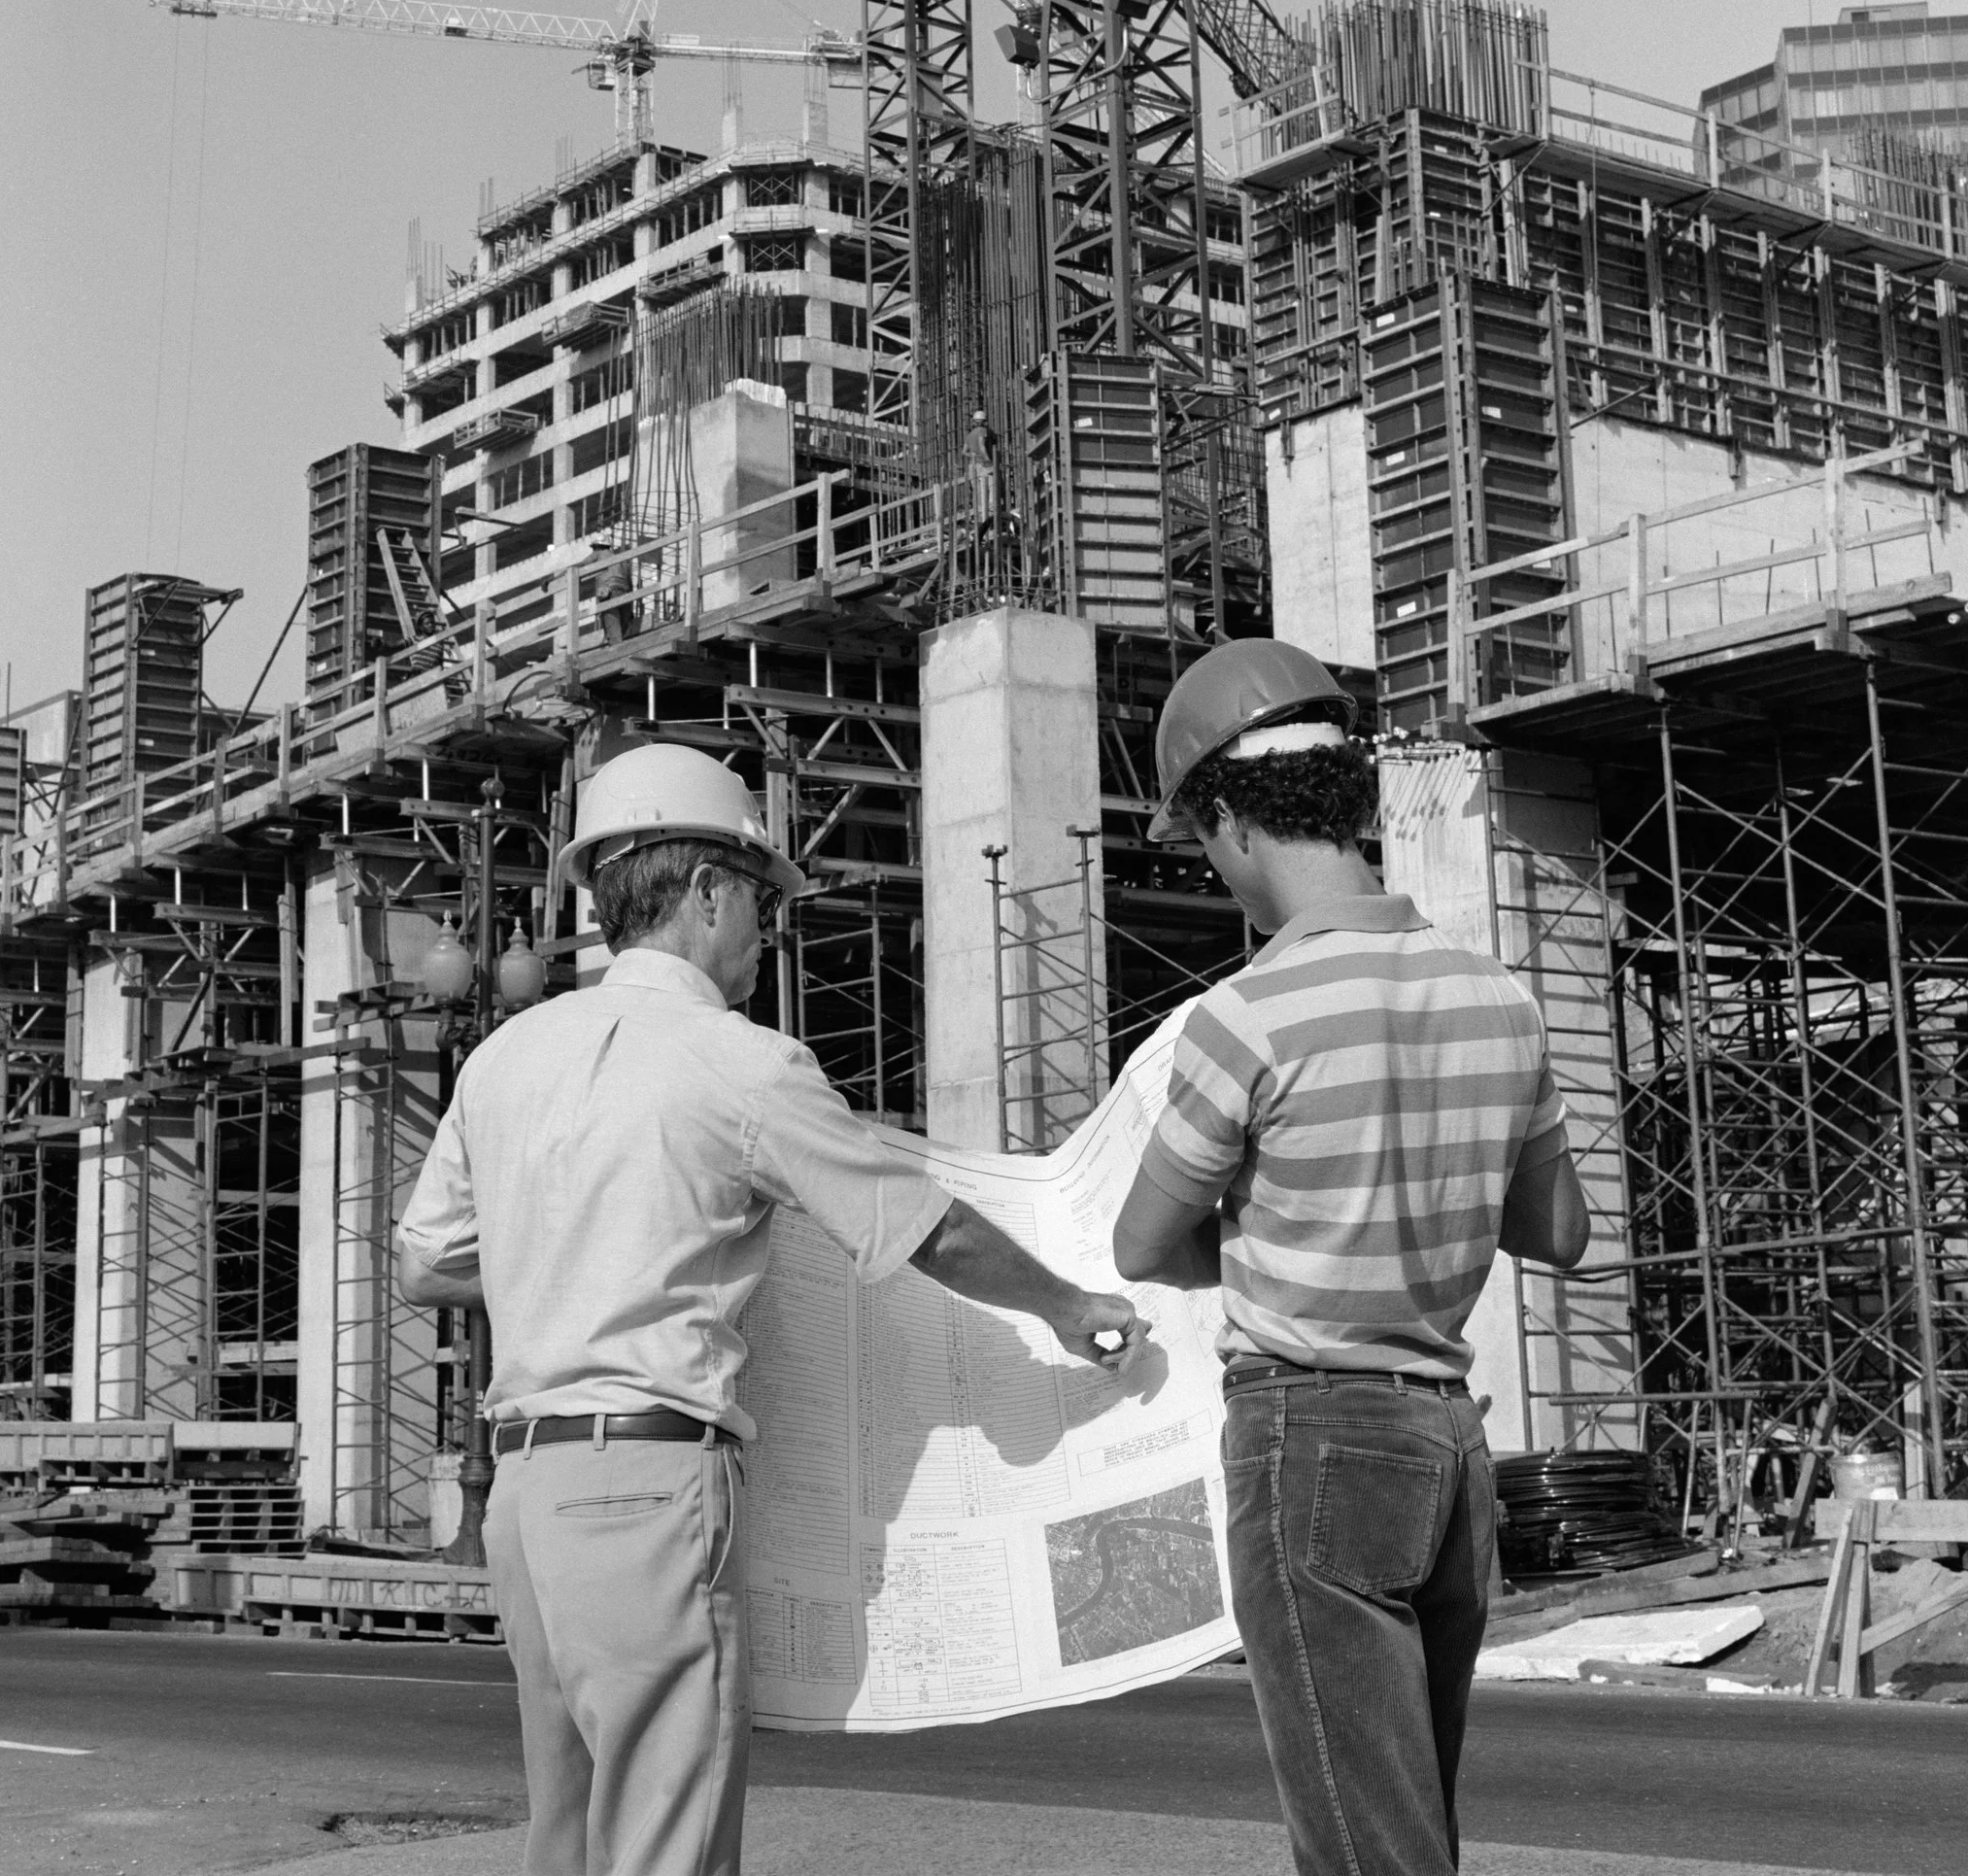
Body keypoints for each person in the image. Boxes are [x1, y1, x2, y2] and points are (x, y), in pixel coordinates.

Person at [398, 742, 1143, 1876]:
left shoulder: (503, 1059)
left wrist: (576, 1252)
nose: (766, 931)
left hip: (527, 1494)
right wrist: (1060, 1300)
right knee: (663, 1846)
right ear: (705, 891)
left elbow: (427, 1263)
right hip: (646, 1491)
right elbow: (924, 1227)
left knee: (569, 1837)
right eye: (758, 899)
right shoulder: (741, 1064)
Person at [1110, 639, 1589, 1876]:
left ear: (1230, 818)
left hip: (1310, 1440)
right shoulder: (1502, 997)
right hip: (1447, 1445)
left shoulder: (1245, 1016)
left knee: (1364, 1843)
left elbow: (1140, 1241)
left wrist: (1285, 1226)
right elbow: (1561, 1233)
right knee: (1407, 1815)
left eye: (1205, 843)